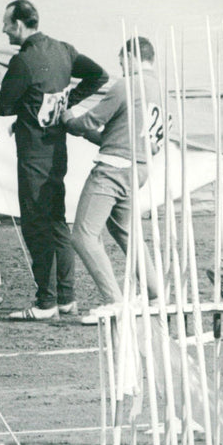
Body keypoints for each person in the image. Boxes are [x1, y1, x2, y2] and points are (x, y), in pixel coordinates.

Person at [0, 0, 108, 321]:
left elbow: (3, 107)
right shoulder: (63, 49)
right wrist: (61, 104)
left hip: (33, 154)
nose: (4, 30)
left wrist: (33, 108)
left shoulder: (24, 61)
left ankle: (46, 302)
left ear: (19, 24)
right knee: (56, 221)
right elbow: (97, 76)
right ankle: (66, 297)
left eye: (6, 24)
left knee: (36, 225)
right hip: (57, 150)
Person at [61, 38, 163, 324]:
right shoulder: (160, 90)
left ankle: (115, 301)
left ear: (131, 57)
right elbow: (118, 135)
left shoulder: (127, 85)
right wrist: (81, 131)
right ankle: (155, 294)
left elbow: (93, 120)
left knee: (83, 235)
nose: (121, 68)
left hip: (113, 169)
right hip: (140, 167)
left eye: (122, 62)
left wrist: (68, 120)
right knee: (125, 231)